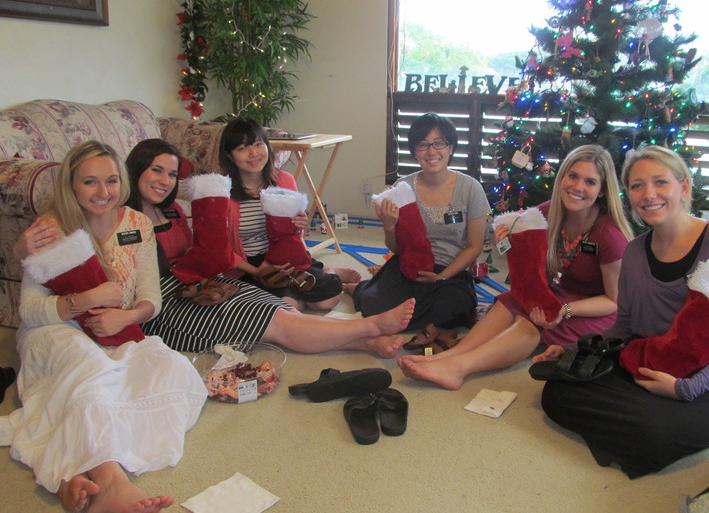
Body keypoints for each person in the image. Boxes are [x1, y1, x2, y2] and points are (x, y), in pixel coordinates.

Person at [1, 141, 207, 513]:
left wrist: (127, 317)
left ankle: (71, 476)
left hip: (116, 328)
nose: (103, 192)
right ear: (71, 185)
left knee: (174, 371)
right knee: (91, 371)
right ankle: (111, 481)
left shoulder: (137, 224)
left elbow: (151, 298)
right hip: (57, 328)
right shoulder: (50, 229)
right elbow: (30, 311)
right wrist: (87, 299)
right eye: (90, 182)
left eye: (111, 180)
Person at [537, 145, 709, 478]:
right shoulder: (635, 251)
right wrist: (573, 349)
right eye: (637, 186)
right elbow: (625, 325)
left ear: (683, 187)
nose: (648, 195)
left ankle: (644, 423)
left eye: (660, 182)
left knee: (653, 432)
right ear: (627, 194)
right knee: (556, 393)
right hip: (649, 359)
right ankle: (637, 421)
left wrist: (687, 388)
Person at [121, 138, 413, 356]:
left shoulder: (172, 210)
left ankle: (365, 343)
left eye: (172, 174)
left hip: (201, 284)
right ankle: (370, 327)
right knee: (278, 324)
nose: (165, 181)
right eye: (156, 171)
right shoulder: (124, 220)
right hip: (165, 304)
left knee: (282, 311)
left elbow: (196, 252)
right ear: (136, 170)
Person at [398, 144, 633, 389]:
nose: (578, 187)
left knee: (529, 322)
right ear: (562, 177)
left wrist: (564, 310)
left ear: (603, 190)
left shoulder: (610, 236)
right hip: (562, 293)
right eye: (573, 176)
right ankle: (449, 355)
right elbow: (531, 270)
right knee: (509, 301)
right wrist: (510, 244)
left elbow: (614, 301)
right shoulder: (547, 213)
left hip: (598, 311)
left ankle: (458, 368)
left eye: (590, 182)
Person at [347, 113, 491, 331]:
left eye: (439, 143)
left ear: (451, 147)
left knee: (452, 309)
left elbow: (474, 246)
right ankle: (358, 289)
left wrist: (441, 276)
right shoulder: (403, 187)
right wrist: (389, 225)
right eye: (423, 145)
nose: (431, 151)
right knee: (378, 305)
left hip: (450, 271)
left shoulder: (471, 188)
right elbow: (397, 249)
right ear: (414, 152)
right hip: (410, 265)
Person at [218, 117, 360, 310]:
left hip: (284, 254)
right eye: (242, 148)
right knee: (289, 306)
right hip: (249, 264)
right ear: (229, 155)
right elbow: (219, 247)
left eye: (259, 144)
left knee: (326, 302)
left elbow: (293, 233)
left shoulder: (284, 180)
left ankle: (330, 271)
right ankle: (318, 275)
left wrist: (299, 223)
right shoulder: (220, 193)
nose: (253, 154)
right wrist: (257, 271)